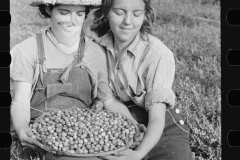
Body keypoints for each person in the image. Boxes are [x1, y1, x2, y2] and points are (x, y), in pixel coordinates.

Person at [10, 0, 143, 160]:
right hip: (40, 136)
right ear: (48, 9)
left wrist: (132, 124)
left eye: (79, 14)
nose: (72, 20)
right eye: (64, 13)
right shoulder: (28, 50)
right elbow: (20, 101)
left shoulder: (94, 52)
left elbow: (108, 101)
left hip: (83, 134)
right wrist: (22, 128)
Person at [91, 0, 192, 159]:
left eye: (136, 14)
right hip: (123, 120)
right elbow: (108, 98)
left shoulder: (157, 55)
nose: (128, 21)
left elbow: (158, 117)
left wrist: (137, 154)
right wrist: (99, 100)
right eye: (119, 13)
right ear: (106, 13)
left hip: (162, 125)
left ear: (145, 15)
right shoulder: (96, 47)